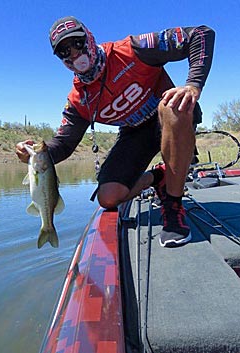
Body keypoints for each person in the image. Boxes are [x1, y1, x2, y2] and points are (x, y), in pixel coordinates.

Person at [16, 16, 215, 247]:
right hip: (135, 134)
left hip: (170, 120)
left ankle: (173, 207)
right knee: (108, 197)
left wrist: (193, 84)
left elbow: (201, 34)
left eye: (77, 43)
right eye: (63, 51)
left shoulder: (133, 49)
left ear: (89, 38)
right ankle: (159, 177)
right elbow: (63, 145)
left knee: (172, 105)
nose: (72, 53)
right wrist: (32, 153)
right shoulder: (78, 100)